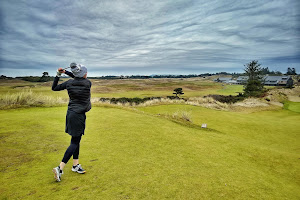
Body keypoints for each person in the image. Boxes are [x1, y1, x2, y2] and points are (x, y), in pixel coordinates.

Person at [51, 62, 92, 182]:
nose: (86, 73)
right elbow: (77, 77)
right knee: (75, 141)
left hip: (70, 114)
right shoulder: (87, 83)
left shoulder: (69, 83)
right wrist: (67, 72)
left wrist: (58, 74)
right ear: (84, 74)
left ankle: (75, 165)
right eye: (85, 72)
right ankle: (60, 168)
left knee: (76, 139)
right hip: (78, 116)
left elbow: (54, 88)